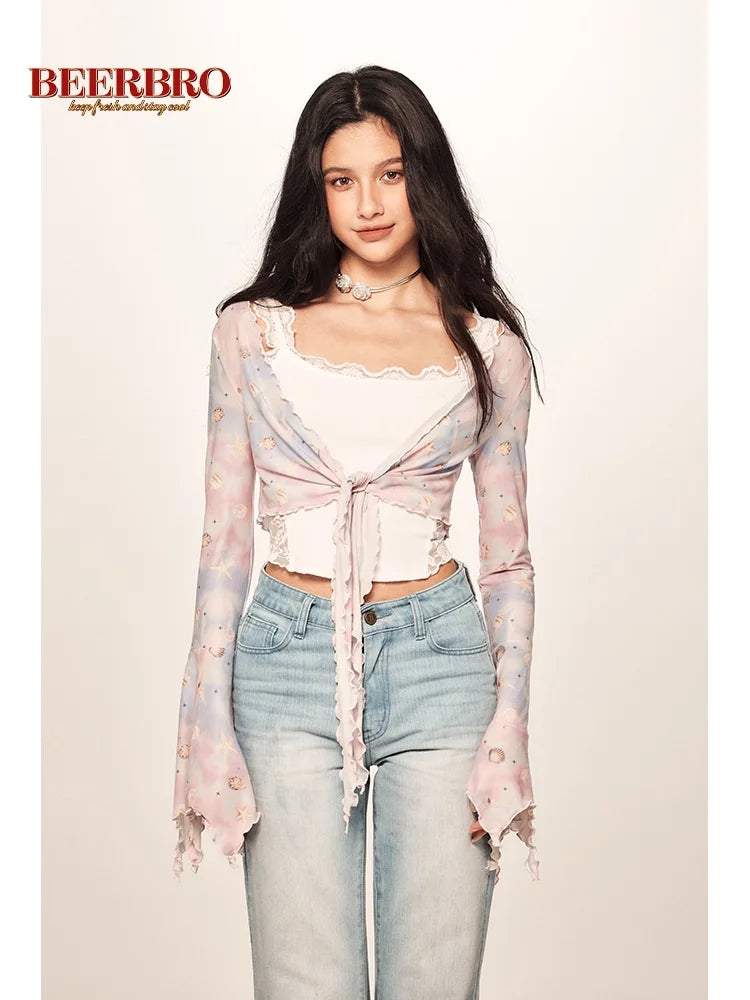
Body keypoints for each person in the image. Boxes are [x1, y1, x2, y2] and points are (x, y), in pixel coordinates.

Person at [172, 64, 543, 1000]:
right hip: (285, 662)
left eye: (391, 174)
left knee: (433, 982)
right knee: (304, 982)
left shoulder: (489, 348)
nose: (369, 204)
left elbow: (507, 559)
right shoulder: (251, 335)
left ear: (426, 177)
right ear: (318, 188)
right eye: (343, 180)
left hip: (442, 663)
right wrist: (203, 719)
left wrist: (509, 721)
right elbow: (222, 546)